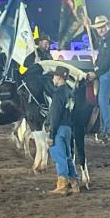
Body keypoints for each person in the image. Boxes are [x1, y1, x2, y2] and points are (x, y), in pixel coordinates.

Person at [45, 64, 77, 195]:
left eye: (54, 76)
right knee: (68, 157)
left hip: (59, 128)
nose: (53, 79)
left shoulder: (58, 94)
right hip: (68, 128)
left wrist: (51, 134)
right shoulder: (70, 93)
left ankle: (62, 185)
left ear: (58, 78)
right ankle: (74, 183)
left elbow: (55, 115)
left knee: (60, 157)